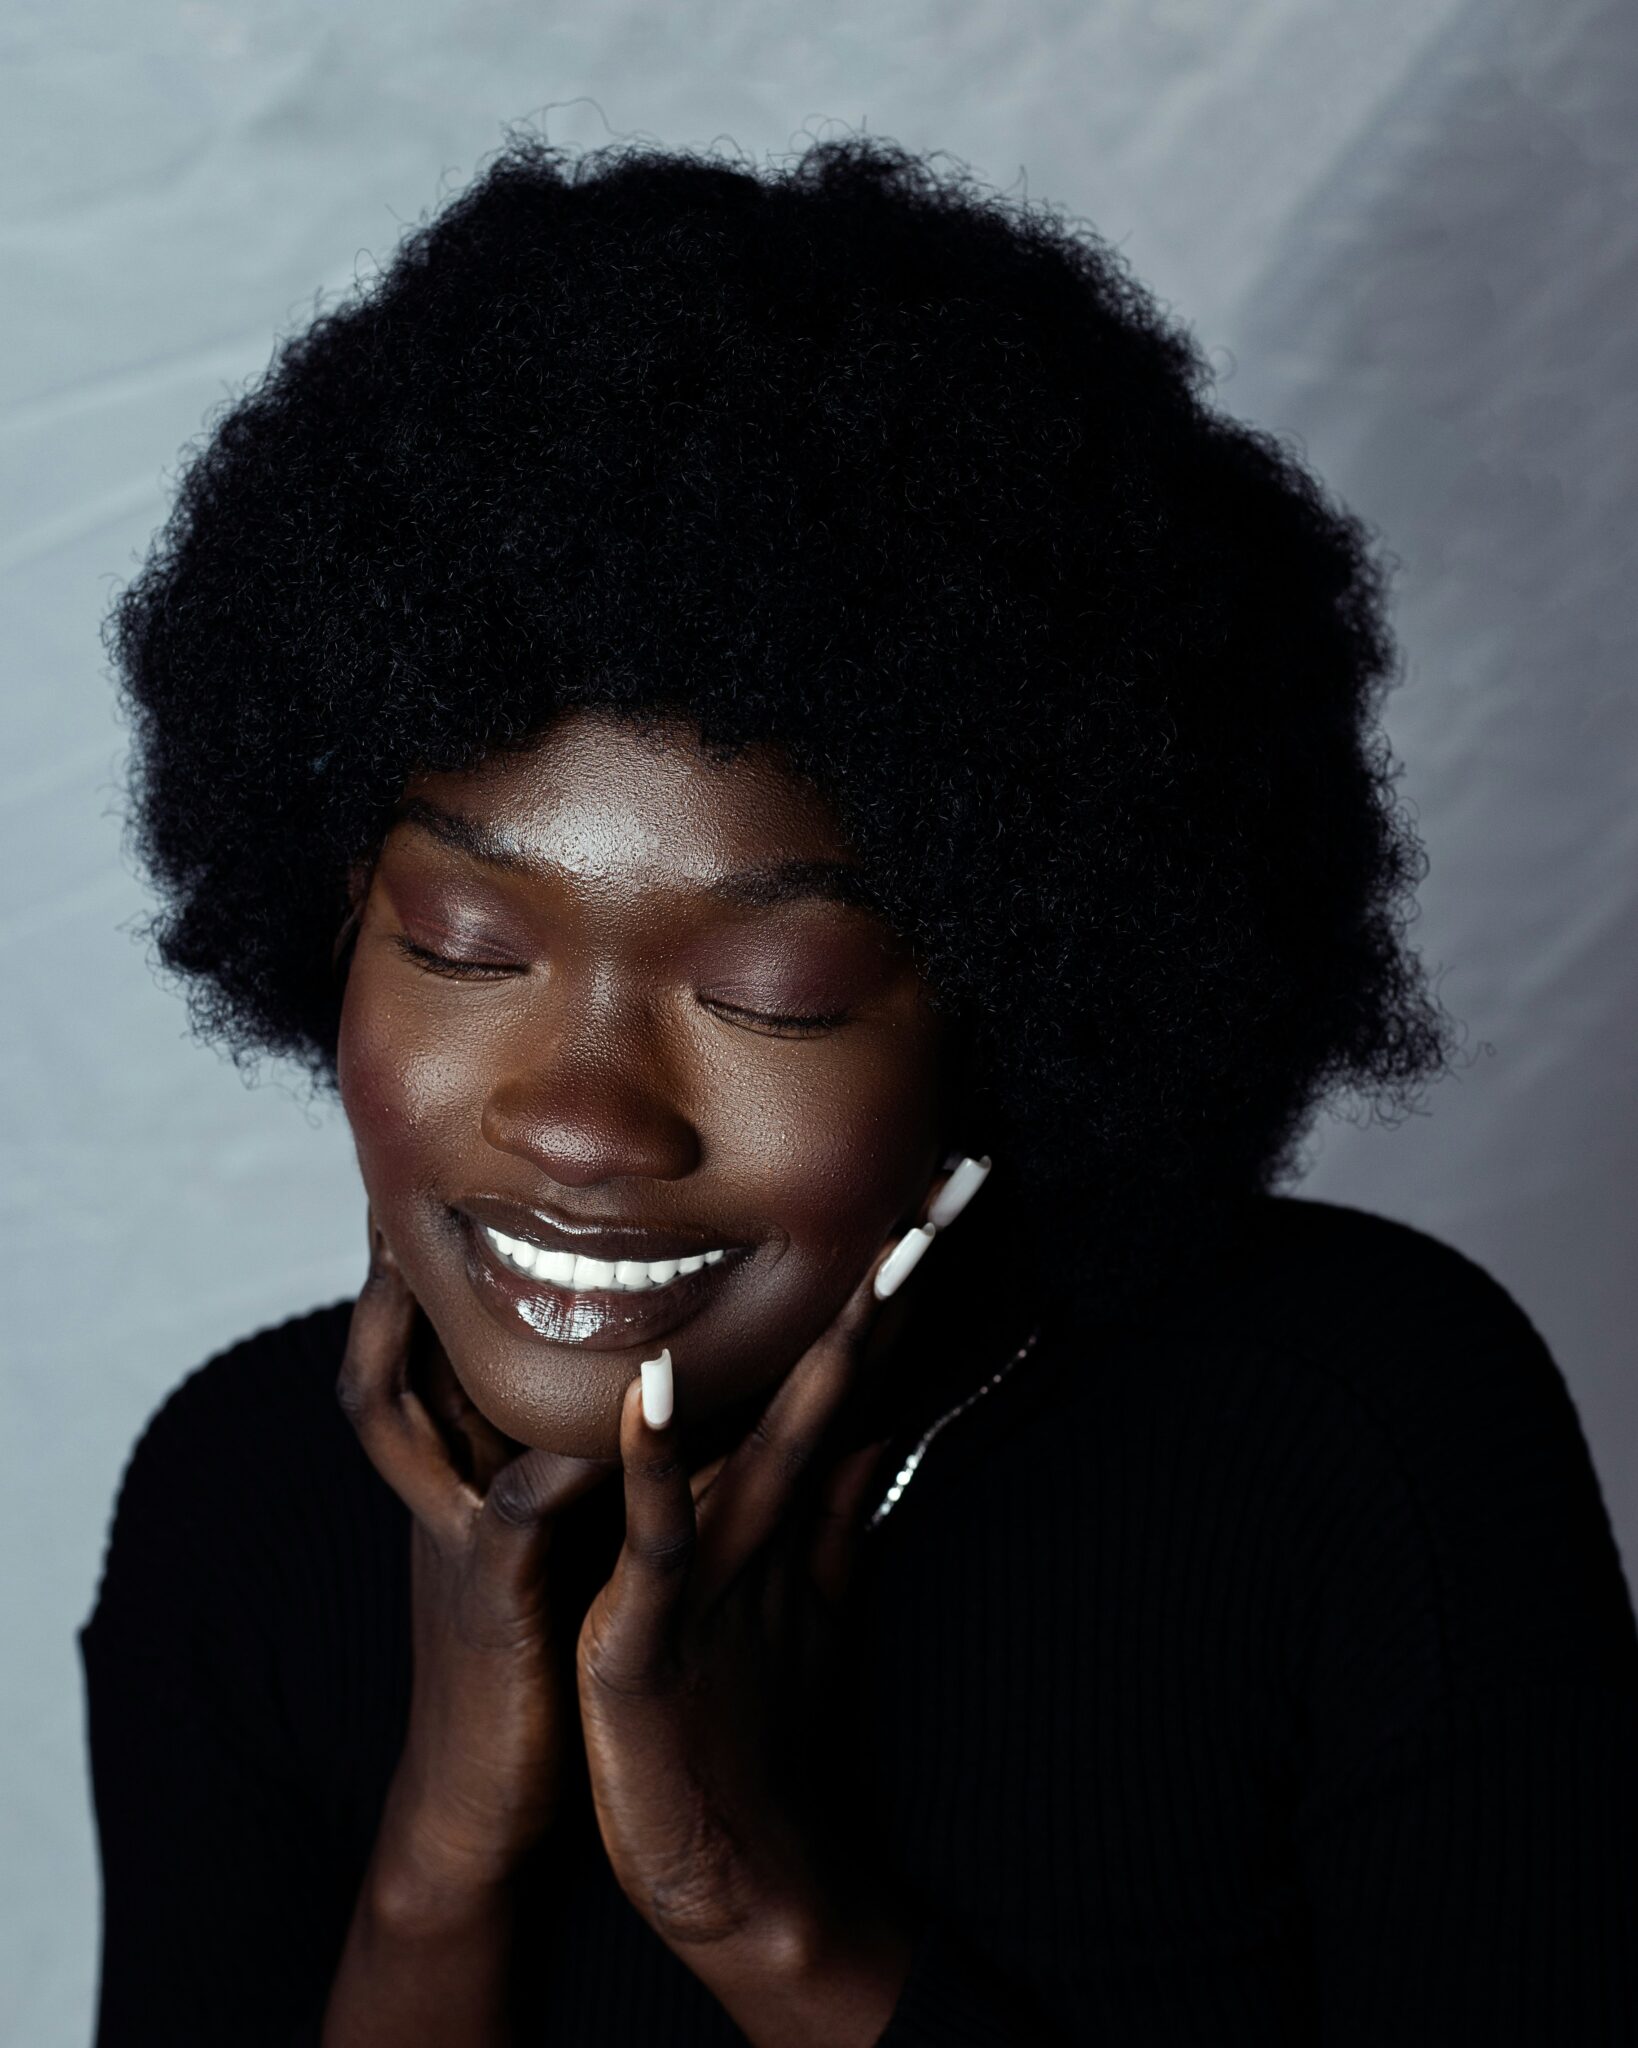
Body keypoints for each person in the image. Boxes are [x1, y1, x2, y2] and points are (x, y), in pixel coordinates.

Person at [80, 131, 1638, 2046]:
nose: (579, 1117)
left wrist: (763, 1920)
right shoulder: (239, 1506)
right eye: (468, 944)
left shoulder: (1343, 1439)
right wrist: (438, 1866)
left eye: (771, 994)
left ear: (1027, 991)